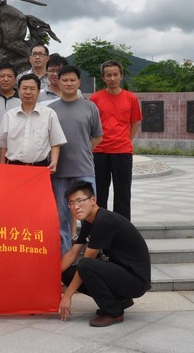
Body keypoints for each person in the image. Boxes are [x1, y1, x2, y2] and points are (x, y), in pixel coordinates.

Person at [60, 181, 151, 327]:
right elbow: (72, 253)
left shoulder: (104, 221)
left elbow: (87, 262)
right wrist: (50, 279)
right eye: (71, 203)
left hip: (135, 280)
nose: (76, 207)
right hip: (119, 273)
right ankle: (119, 300)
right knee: (66, 273)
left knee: (86, 265)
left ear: (93, 200)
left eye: (80, 201)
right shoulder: (89, 221)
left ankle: (113, 312)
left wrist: (67, 295)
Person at [48, 65, 103, 254]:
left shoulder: (90, 107)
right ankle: (64, 254)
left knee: (90, 213)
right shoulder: (51, 109)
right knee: (61, 216)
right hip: (59, 172)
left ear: (79, 82)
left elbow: (97, 136)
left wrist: (84, 150)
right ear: (58, 82)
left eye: (72, 80)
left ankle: (93, 253)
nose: (69, 83)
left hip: (84, 170)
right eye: (65, 80)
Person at [90, 60, 142, 220]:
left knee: (123, 194)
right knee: (99, 194)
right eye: (108, 75)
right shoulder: (95, 98)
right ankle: (99, 226)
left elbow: (134, 123)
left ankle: (122, 229)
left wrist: (125, 140)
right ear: (103, 78)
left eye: (115, 75)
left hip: (122, 152)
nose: (112, 78)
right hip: (100, 152)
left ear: (121, 76)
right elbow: (91, 125)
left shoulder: (130, 98)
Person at [0, 73, 66, 170]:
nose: (28, 92)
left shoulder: (49, 114)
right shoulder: (9, 116)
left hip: (40, 168)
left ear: (38, 91)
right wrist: (3, 166)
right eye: (24, 88)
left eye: (32, 89)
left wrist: (54, 162)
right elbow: (3, 146)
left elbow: (56, 142)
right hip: (13, 168)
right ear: (18, 91)